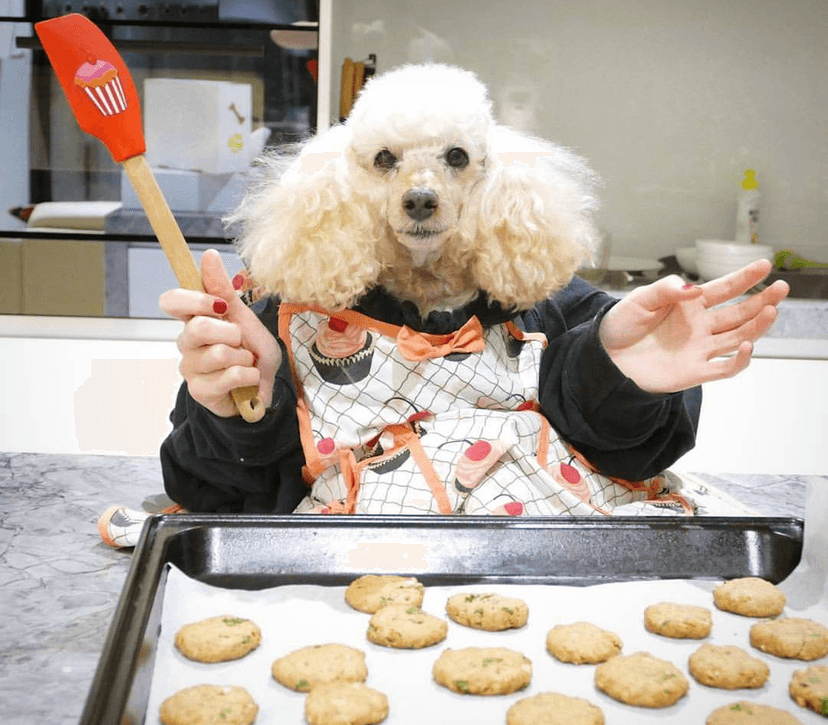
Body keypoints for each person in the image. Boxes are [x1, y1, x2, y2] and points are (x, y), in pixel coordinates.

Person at [96, 247, 787, 549]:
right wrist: (239, 411)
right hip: (334, 597)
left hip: (568, 583)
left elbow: (633, 450)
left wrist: (614, 374)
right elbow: (217, 503)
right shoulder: (278, 313)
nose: (421, 205)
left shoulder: (549, 302)